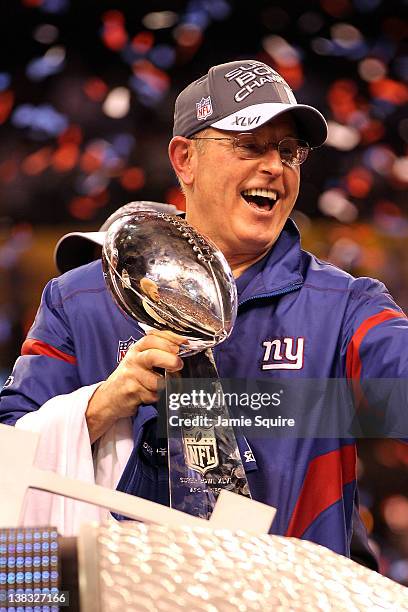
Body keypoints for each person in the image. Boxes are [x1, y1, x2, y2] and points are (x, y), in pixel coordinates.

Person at [1, 60, 404, 566]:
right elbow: (8, 465)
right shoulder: (80, 299)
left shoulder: (343, 307)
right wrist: (102, 404)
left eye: (288, 151)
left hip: (292, 599)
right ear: (184, 159)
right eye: (250, 146)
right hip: (119, 593)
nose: (274, 168)